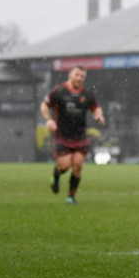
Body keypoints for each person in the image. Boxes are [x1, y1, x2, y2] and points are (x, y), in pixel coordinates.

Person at [40, 65, 105, 204]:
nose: (80, 78)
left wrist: (99, 115)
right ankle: (56, 174)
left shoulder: (86, 94)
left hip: (80, 136)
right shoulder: (59, 91)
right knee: (64, 166)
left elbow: (96, 107)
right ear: (70, 74)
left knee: (78, 165)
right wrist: (49, 120)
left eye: (82, 76)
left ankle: (71, 197)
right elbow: (45, 105)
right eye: (77, 75)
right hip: (62, 136)